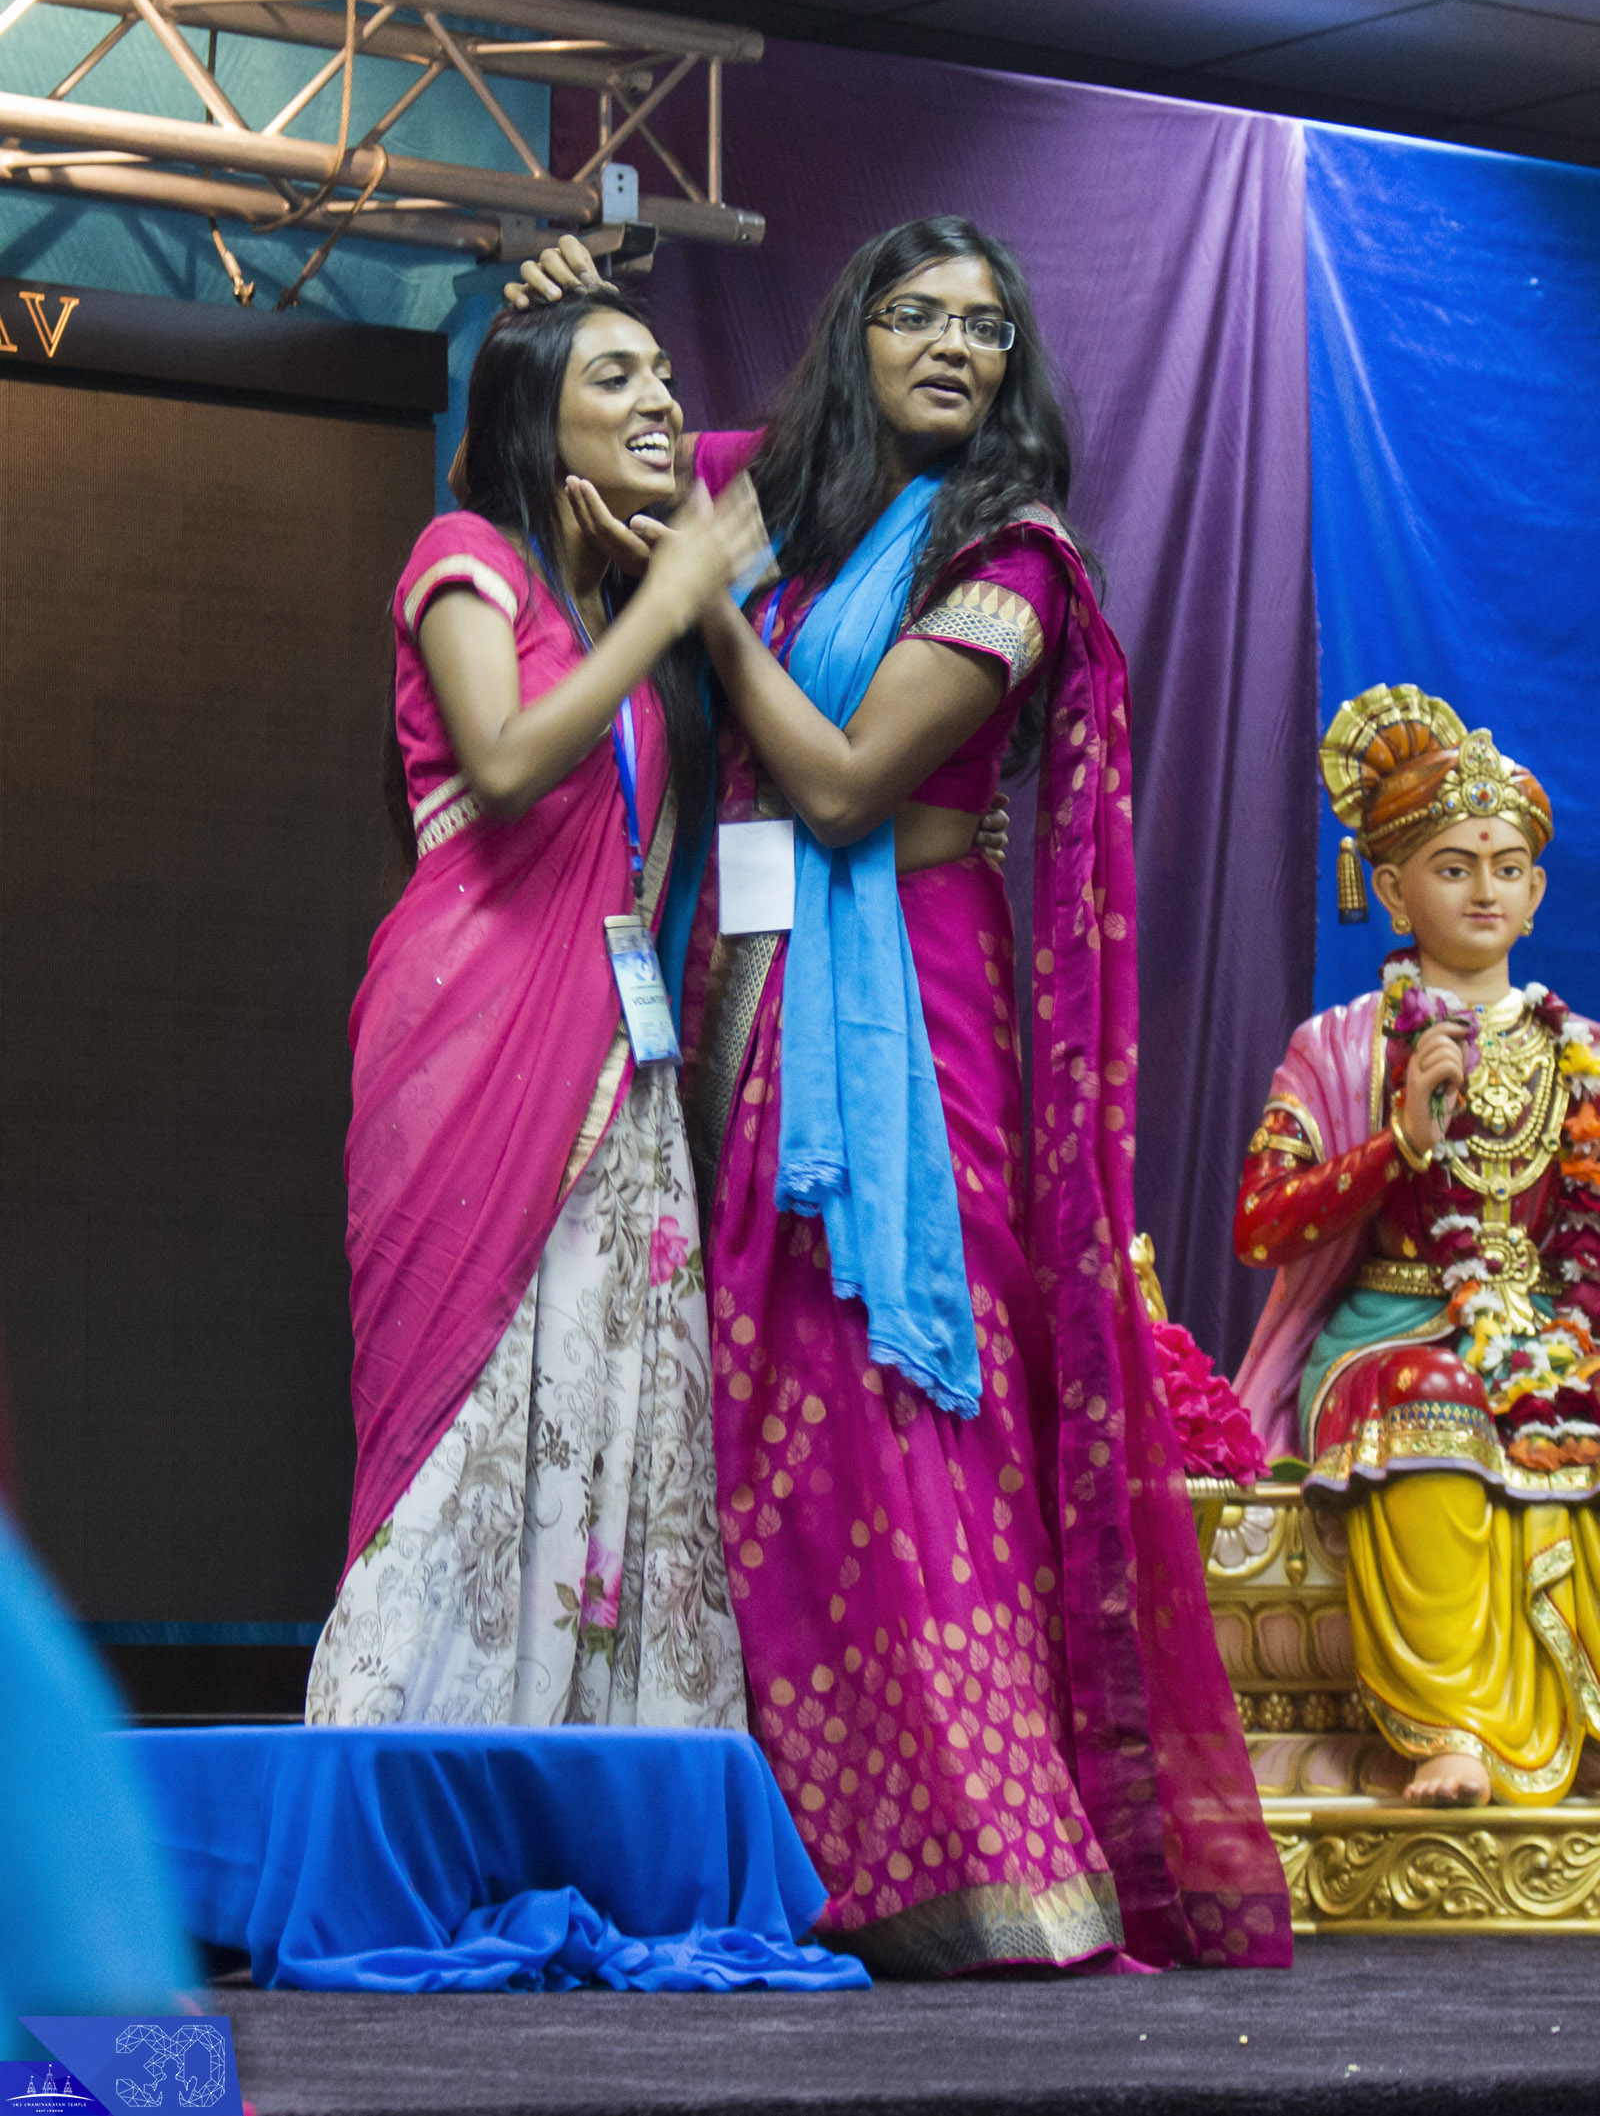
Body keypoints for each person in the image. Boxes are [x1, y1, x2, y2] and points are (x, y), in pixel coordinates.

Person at [519, 221, 1288, 1974]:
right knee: (746, 1402)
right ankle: (772, 1844)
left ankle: (977, 1855)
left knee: (894, 1380)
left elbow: (851, 784)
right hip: (737, 986)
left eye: (987, 328)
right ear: (855, 334)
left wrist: (705, 605)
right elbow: (600, 440)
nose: (953, 345)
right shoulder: (779, 493)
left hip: (915, 1009)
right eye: (917, 313)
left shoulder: (1014, 557)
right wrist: (551, 311)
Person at [307, 292, 764, 1729]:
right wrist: (673, 603)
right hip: (471, 1031)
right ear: (533, 418)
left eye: (667, 373)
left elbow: (781, 472)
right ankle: (411, 1759)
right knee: (467, 1406)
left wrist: (667, 592)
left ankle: (591, 1777)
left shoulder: (625, 601)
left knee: (616, 1402)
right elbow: (502, 763)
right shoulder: (467, 556)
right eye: (615, 376)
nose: (660, 400)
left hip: (620, 1067)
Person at [1235, 683, 1600, 1805]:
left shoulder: (1581, 1055)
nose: (1483, 889)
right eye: (1452, 866)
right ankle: (1453, 1724)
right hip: (1389, 1333)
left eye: (1506, 867)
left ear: (1536, 894)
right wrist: (1394, 1145)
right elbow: (1260, 1224)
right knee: (1436, 1397)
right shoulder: (1340, 1046)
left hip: (1552, 1325)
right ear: (1392, 889)